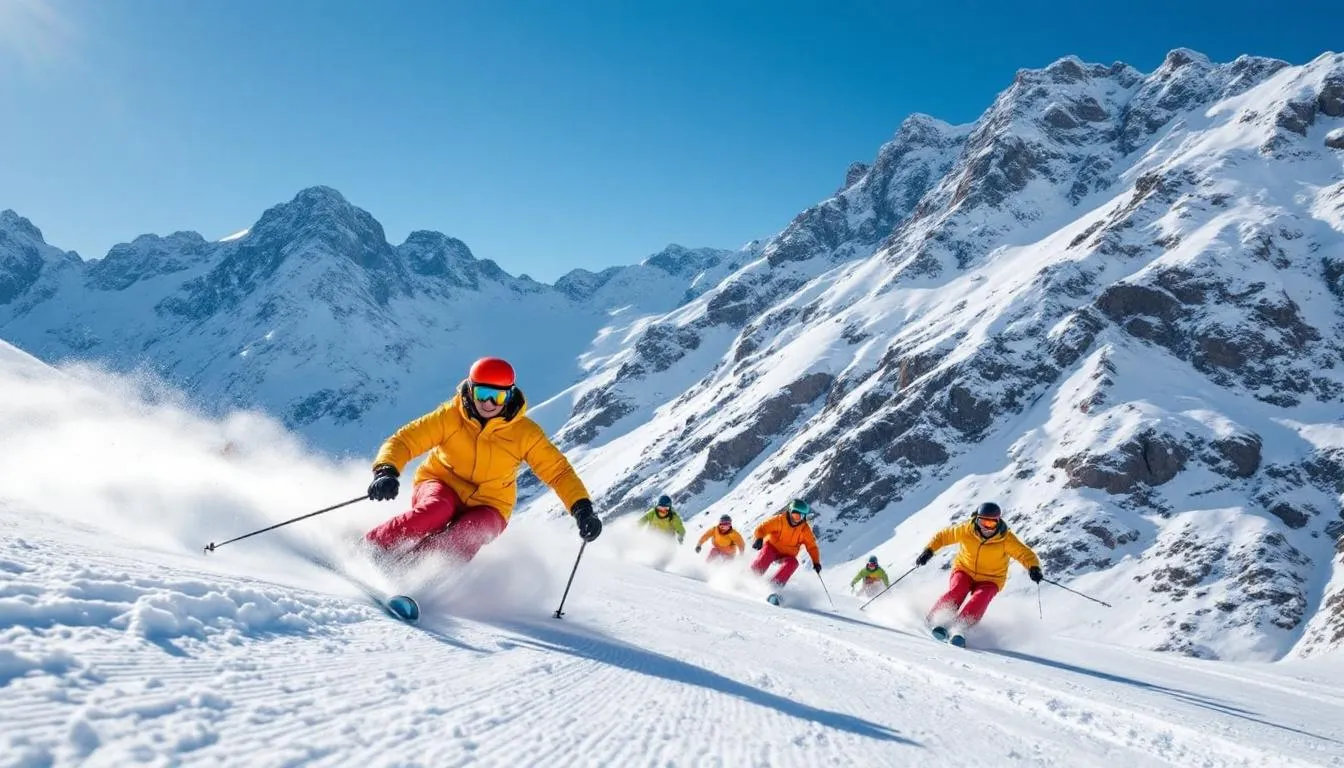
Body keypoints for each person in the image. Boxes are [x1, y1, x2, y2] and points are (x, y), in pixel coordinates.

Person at [364, 357, 602, 563]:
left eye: (498, 396)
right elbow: (405, 440)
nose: (489, 403)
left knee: (471, 532)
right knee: (436, 511)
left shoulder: (525, 433)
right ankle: (370, 549)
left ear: (509, 396)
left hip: (492, 503)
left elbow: (558, 472)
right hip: (441, 483)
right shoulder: (450, 416)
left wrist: (582, 509)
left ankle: (413, 574)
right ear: (470, 389)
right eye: (483, 394)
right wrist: (387, 470)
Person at [916, 502, 1041, 643]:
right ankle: (935, 619)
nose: (986, 527)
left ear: (998, 522)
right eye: (983, 522)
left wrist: (1033, 568)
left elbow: (1025, 554)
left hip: (991, 579)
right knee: (958, 589)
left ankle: (959, 628)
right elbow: (943, 536)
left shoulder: (1006, 539)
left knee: (980, 598)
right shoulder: (965, 530)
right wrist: (929, 550)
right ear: (977, 519)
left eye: (991, 524)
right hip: (964, 570)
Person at [750, 499, 821, 587]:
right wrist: (759, 539)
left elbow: (812, 547)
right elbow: (762, 528)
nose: (797, 519)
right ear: (790, 512)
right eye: (795, 515)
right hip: (772, 547)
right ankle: (751, 576)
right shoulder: (779, 520)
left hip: (787, 555)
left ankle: (774, 586)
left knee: (793, 563)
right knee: (767, 555)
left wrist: (816, 562)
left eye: (801, 516)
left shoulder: (804, 530)